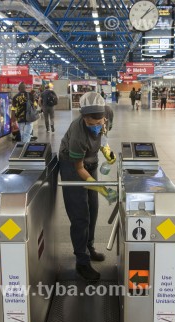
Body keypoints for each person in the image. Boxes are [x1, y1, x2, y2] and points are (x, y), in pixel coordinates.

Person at [59, 92, 117, 281]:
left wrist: (107, 153)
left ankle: (89, 246)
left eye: (98, 123)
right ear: (83, 118)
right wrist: (100, 188)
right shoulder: (77, 133)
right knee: (80, 215)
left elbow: (103, 138)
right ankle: (81, 262)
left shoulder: (106, 115)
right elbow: (79, 168)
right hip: (72, 164)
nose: (95, 127)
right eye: (90, 124)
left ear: (104, 117)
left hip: (90, 162)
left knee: (93, 207)